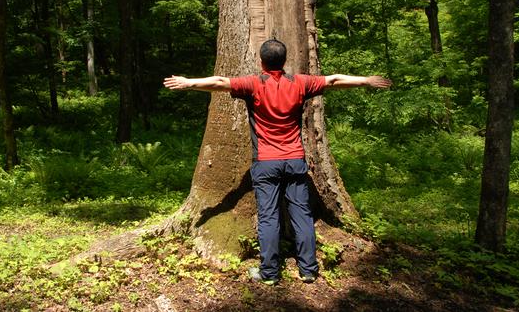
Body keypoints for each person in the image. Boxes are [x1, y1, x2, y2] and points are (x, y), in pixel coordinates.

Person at [163, 39, 392, 285]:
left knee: (269, 217)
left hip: (266, 162)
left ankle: (270, 273)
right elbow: (333, 80)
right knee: (302, 215)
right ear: (284, 61)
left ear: (262, 62)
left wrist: (189, 83)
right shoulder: (300, 83)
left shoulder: (253, 84)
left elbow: (220, 82)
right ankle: (308, 270)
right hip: (294, 160)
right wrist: (366, 80)